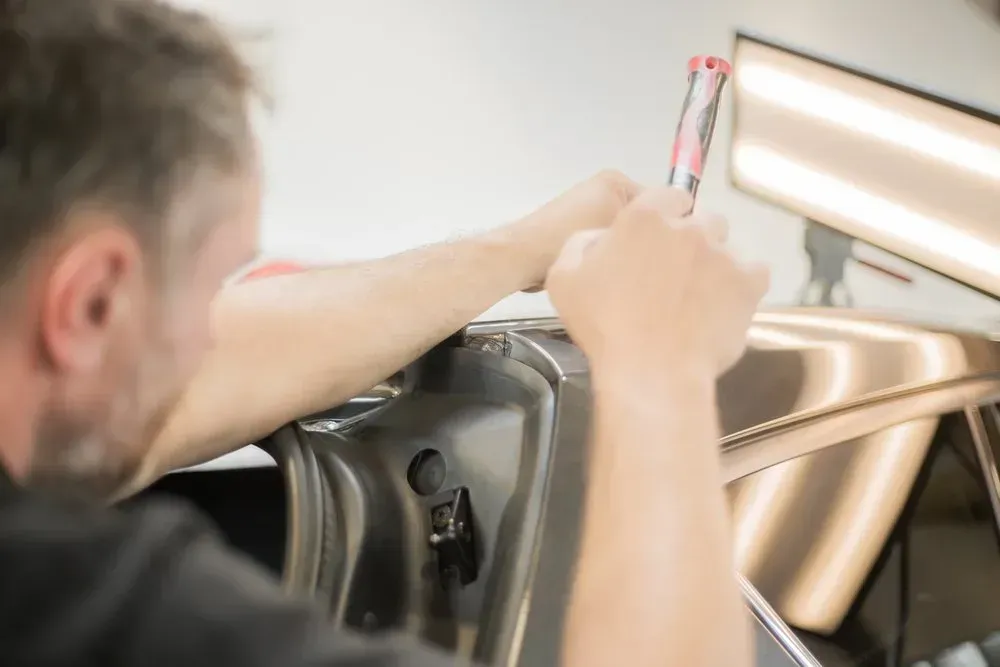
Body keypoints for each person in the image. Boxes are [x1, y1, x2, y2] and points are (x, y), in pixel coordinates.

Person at [0, 1, 768, 666]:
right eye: (207, 291)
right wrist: (660, 365)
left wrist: (524, 247)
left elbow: (223, 365)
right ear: (91, 302)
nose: (209, 337)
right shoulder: (77, 603)